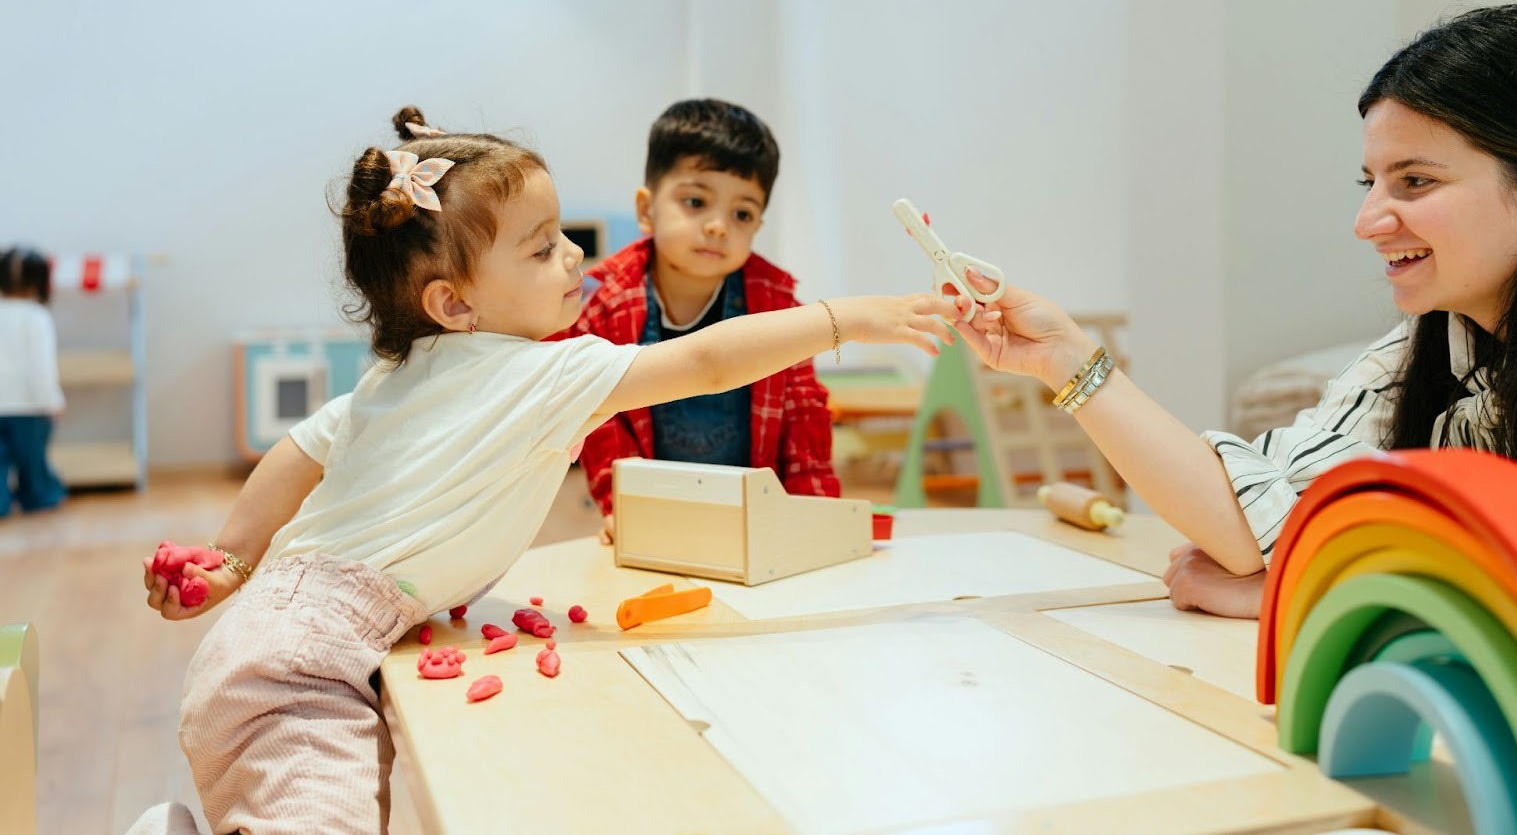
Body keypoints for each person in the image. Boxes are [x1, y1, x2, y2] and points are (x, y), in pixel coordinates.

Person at [132, 107, 961, 835]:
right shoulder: (544, 373)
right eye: (541, 249)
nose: (573, 257)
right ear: (455, 303)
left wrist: (233, 557)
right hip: (306, 661)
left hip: (277, 629)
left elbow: (297, 451)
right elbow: (707, 362)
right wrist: (850, 318)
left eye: (563, 236)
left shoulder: (399, 375)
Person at [955, 4, 1517, 619]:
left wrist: (1312, 594)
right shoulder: (1426, 346)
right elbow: (1259, 516)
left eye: (1416, 181)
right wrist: (1065, 359)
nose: (1367, 222)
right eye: (1370, 182)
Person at [553, 98, 838, 543]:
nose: (719, 226)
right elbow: (602, 421)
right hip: (654, 516)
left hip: (758, 519)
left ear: (758, 225)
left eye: (742, 214)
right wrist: (620, 505)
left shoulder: (779, 308)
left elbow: (804, 417)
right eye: (696, 201)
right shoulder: (604, 307)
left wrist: (815, 513)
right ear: (647, 209)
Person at [0, 246, 66, 517]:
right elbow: (41, 367)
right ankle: (39, 497)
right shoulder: (36, 317)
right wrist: (52, 401)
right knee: (33, 464)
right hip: (28, 408)